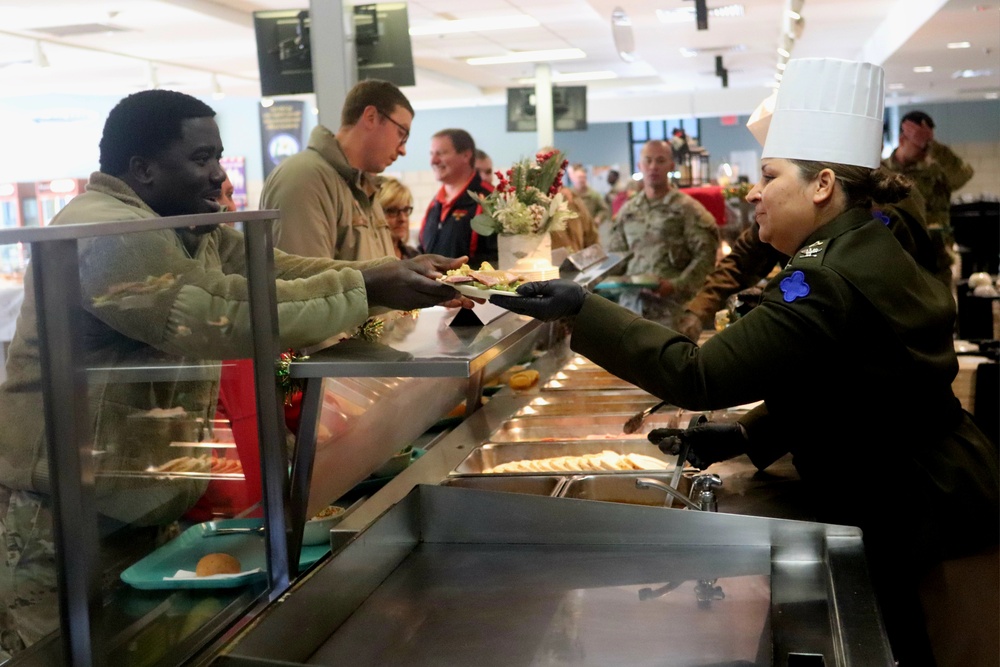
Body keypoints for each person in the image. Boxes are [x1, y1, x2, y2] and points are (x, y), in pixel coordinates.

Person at [492, 59, 999, 667]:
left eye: (768, 175)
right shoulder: (862, 244)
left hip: (920, 505)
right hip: (928, 485)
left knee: (921, 648)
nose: (752, 192)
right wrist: (748, 432)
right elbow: (848, 377)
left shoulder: (821, 277)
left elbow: (698, 376)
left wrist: (584, 309)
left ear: (823, 186)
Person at [0, 89, 471, 659]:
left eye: (217, 157)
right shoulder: (105, 234)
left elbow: (276, 269)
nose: (217, 175)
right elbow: (213, 315)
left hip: (137, 504)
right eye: (201, 159)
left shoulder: (184, 224)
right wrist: (368, 288)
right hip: (62, 522)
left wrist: (385, 272)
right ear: (142, 168)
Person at [260, 79, 412, 262]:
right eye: (401, 134)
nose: (403, 150)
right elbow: (307, 284)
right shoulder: (305, 179)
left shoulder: (363, 187)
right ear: (371, 117)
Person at [606, 140, 720, 329]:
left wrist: (676, 285)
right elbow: (616, 257)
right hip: (631, 310)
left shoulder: (688, 210)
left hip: (673, 312)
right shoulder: (628, 211)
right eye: (648, 161)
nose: (653, 167)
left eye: (660, 161)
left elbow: (705, 256)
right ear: (639, 166)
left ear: (671, 166)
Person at [882, 110, 975, 289]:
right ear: (902, 140)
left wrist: (933, 145)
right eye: (920, 144)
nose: (925, 149)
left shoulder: (936, 171)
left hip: (936, 258)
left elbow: (962, 175)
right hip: (896, 257)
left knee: (942, 313)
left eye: (928, 143)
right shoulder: (883, 170)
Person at [419, 128, 497, 267]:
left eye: (441, 153)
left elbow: (497, 260)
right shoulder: (435, 203)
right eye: (431, 154)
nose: (433, 161)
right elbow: (423, 250)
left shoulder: (489, 200)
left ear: (466, 155)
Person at [376, 176, 419, 259]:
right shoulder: (368, 257)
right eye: (392, 211)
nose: (402, 219)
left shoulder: (414, 257)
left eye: (406, 210)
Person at [567, 163, 611, 230]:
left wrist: (599, 218)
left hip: (590, 230)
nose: (582, 180)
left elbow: (604, 209)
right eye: (579, 177)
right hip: (574, 231)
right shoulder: (569, 195)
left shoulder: (593, 195)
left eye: (584, 177)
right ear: (574, 179)